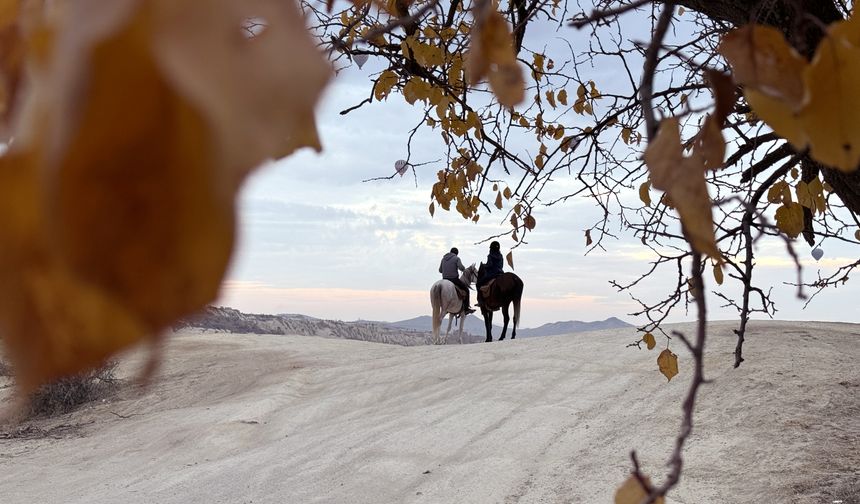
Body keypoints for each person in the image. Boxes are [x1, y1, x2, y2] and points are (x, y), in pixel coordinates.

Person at [439, 247, 475, 314]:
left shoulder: (443, 259)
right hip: (453, 279)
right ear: (456, 254)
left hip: (444, 280)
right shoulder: (456, 258)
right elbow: (461, 268)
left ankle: (445, 308)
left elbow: (440, 270)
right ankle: (466, 308)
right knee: (466, 290)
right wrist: (464, 269)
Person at [476, 241, 504, 307]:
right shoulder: (500, 256)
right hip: (500, 273)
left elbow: (490, 265)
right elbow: (501, 265)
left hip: (492, 273)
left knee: (478, 284)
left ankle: (480, 301)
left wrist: (484, 265)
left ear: (491, 248)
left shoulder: (490, 255)